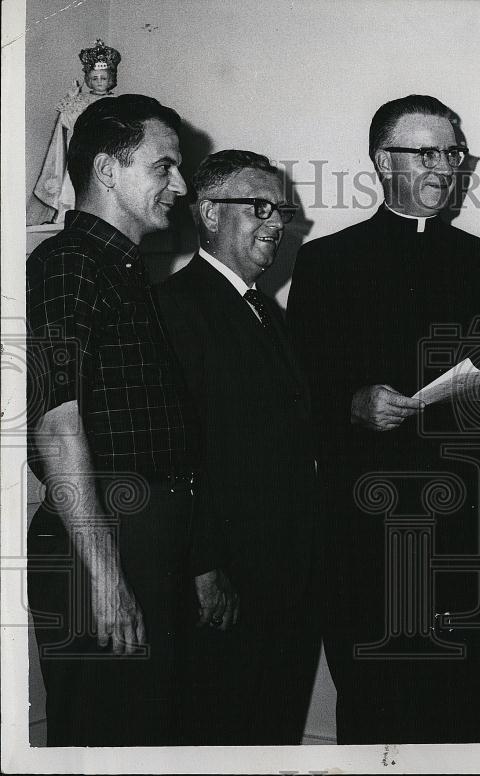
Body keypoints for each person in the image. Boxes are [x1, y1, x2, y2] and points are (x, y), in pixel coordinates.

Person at [286, 95, 480, 744]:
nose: (445, 167)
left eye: (453, 153)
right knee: (372, 712)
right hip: (365, 538)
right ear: (379, 160)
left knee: (456, 710)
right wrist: (351, 403)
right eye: (426, 152)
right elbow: (292, 396)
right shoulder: (325, 263)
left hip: (468, 534)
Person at [26, 94, 196, 746]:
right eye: (165, 167)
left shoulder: (124, 270)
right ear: (107, 169)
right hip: (101, 543)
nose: (179, 186)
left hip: (142, 539)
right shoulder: (69, 262)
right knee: (104, 743)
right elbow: (54, 425)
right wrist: (105, 579)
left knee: (149, 738)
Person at [155, 150, 321, 744]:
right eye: (259, 208)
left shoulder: (265, 312)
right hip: (225, 587)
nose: (275, 224)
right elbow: (177, 455)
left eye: (280, 210)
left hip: (284, 584)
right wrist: (203, 568)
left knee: (271, 736)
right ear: (207, 214)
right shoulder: (176, 309)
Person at [31, 39, 122, 224]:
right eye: (95, 78)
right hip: (84, 149)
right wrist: (71, 101)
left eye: (103, 78)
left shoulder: (117, 103)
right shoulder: (81, 100)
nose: (99, 82)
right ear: (89, 80)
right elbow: (67, 123)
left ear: (110, 80)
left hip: (108, 150)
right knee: (76, 182)